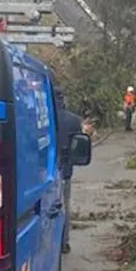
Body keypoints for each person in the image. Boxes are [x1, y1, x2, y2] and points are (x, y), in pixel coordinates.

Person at [56, 94, 84, 254]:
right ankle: (63, 243)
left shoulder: (37, 116)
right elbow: (78, 145)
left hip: (40, 172)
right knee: (63, 206)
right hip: (64, 171)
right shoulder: (73, 120)